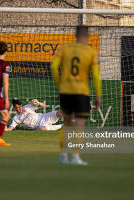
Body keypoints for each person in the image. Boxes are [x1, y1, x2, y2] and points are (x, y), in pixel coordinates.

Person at [51, 25, 102, 165]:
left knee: (66, 124)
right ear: (88, 36)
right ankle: (75, 157)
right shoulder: (92, 52)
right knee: (79, 124)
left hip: (66, 90)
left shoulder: (64, 48)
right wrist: (98, 95)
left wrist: (59, 84)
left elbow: (54, 66)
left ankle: (62, 156)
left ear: (75, 34)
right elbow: (96, 76)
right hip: (81, 92)